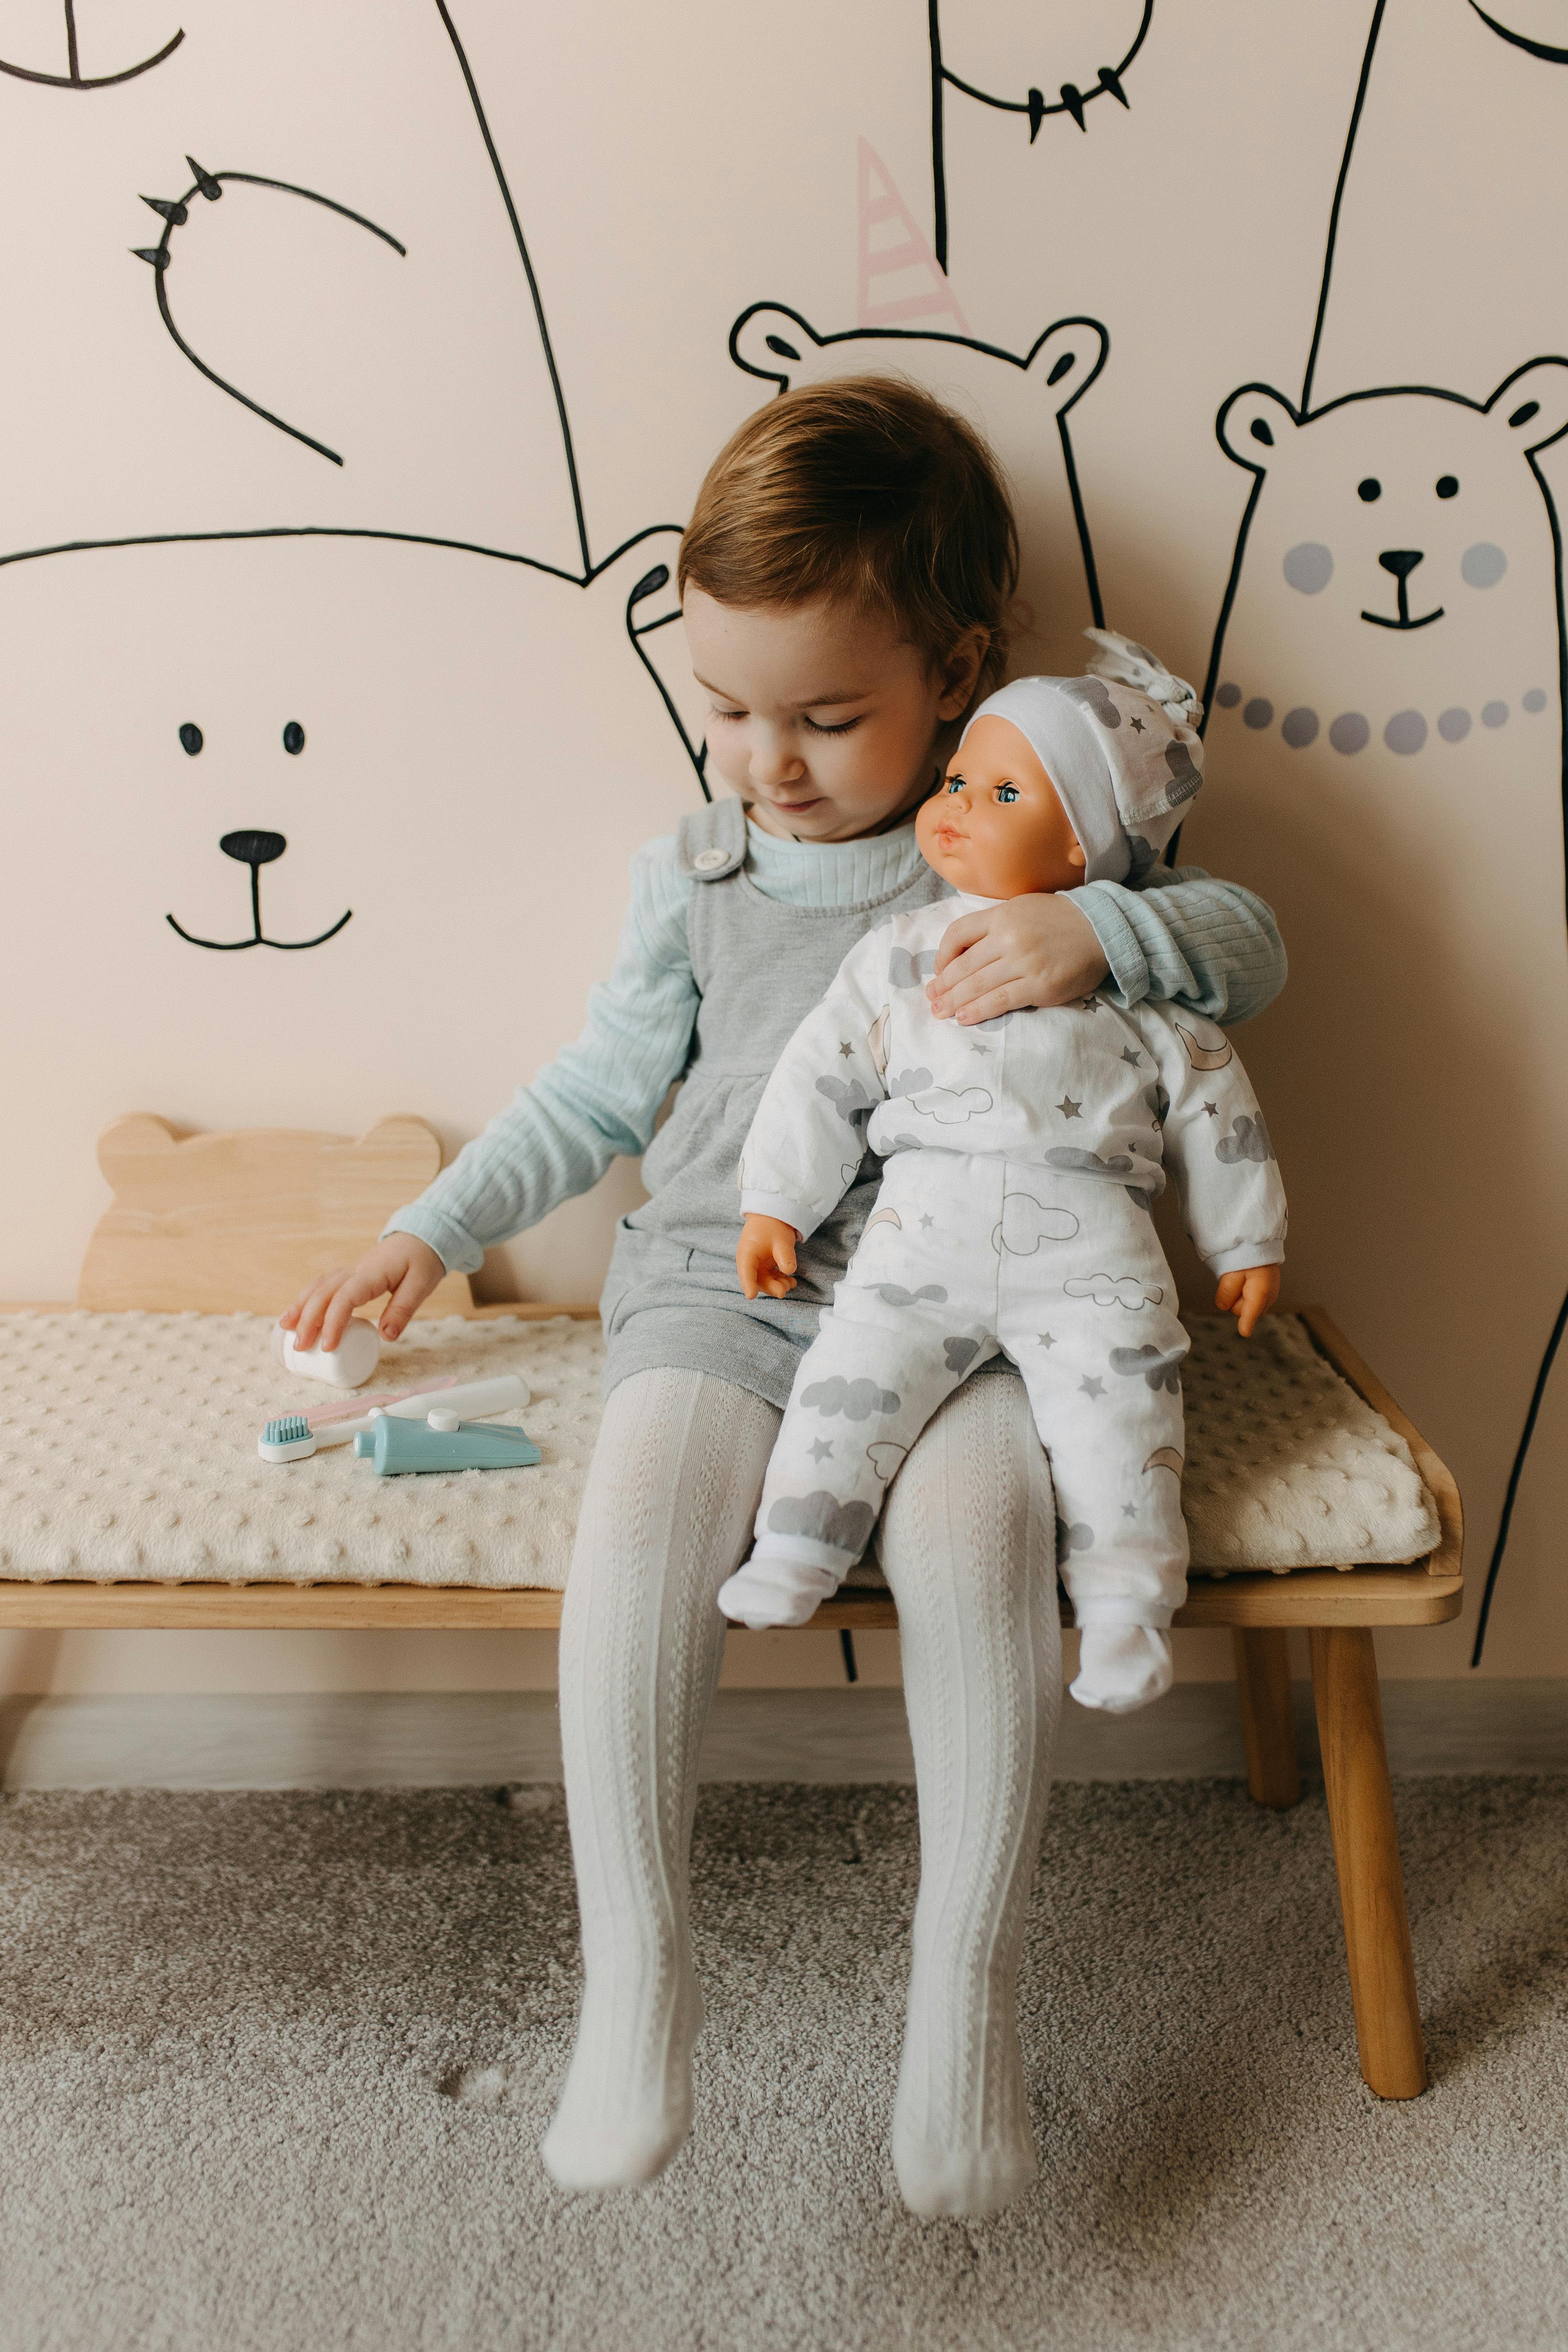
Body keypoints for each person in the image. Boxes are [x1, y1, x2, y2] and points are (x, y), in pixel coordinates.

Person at [280, 379, 1288, 2218]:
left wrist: (1096, 930)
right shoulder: (703, 868)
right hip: (709, 1281)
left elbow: (1247, 947)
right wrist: (426, 1227)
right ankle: (636, 1983)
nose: (770, 758)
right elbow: (592, 1093)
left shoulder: (1019, 835)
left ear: (957, 673)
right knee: (647, 1513)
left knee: (987, 1532)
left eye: (826, 715)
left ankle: (961, 2003)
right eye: (727, 709)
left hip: (961, 1294)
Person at [719, 638, 1286, 1720]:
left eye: (1004, 790)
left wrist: (1245, 1242)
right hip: (915, 1242)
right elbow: (818, 1074)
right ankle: (799, 1543)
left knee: (1127, 1420)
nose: (959, 805)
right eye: (957, 782)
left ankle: (1127, 1611)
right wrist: (775, 1203)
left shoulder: (1139, 985)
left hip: (1093, 1265)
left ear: (1084, 839)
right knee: (849, 1377)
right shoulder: (897, 954)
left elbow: (1222, 1113)